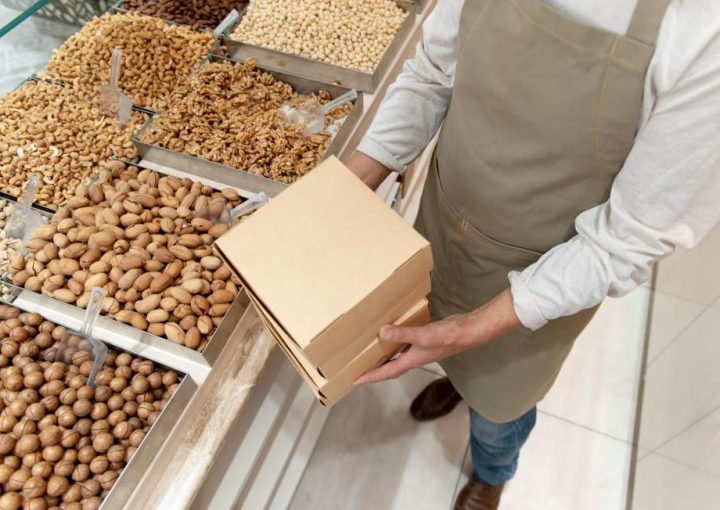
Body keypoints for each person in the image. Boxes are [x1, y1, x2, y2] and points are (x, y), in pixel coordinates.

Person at [349, 0, 720, 508]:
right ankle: (459, 380)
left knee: (500, 407)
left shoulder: (703, 31)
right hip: (446, 218)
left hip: (544, 274)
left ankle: (492, 471)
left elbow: (628, 239)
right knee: (441, 331)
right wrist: (346, 188)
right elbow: (433, 75)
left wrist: (471, 328)